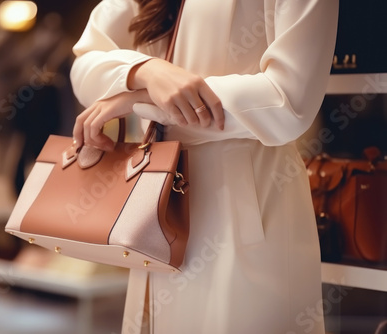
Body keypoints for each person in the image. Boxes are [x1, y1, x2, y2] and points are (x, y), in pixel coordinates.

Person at [69, 0, 339, 333]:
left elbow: (289, 102)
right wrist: (147, 71)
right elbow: (84, 66)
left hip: (247, 198)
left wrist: (142, 99)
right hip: (156, 197)